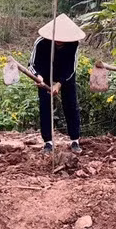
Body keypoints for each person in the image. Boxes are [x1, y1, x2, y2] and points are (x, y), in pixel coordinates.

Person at [30, 14, 86, 154]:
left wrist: (59, 84)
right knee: (45, 106)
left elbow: (71, 67)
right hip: (45, 75)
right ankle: (48, 142)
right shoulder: (41, 42)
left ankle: (74, 140)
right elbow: (32, 64)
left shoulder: (73, 44)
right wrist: (39, 77)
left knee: (71, 105)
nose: (60, 40)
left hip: (66, 76)